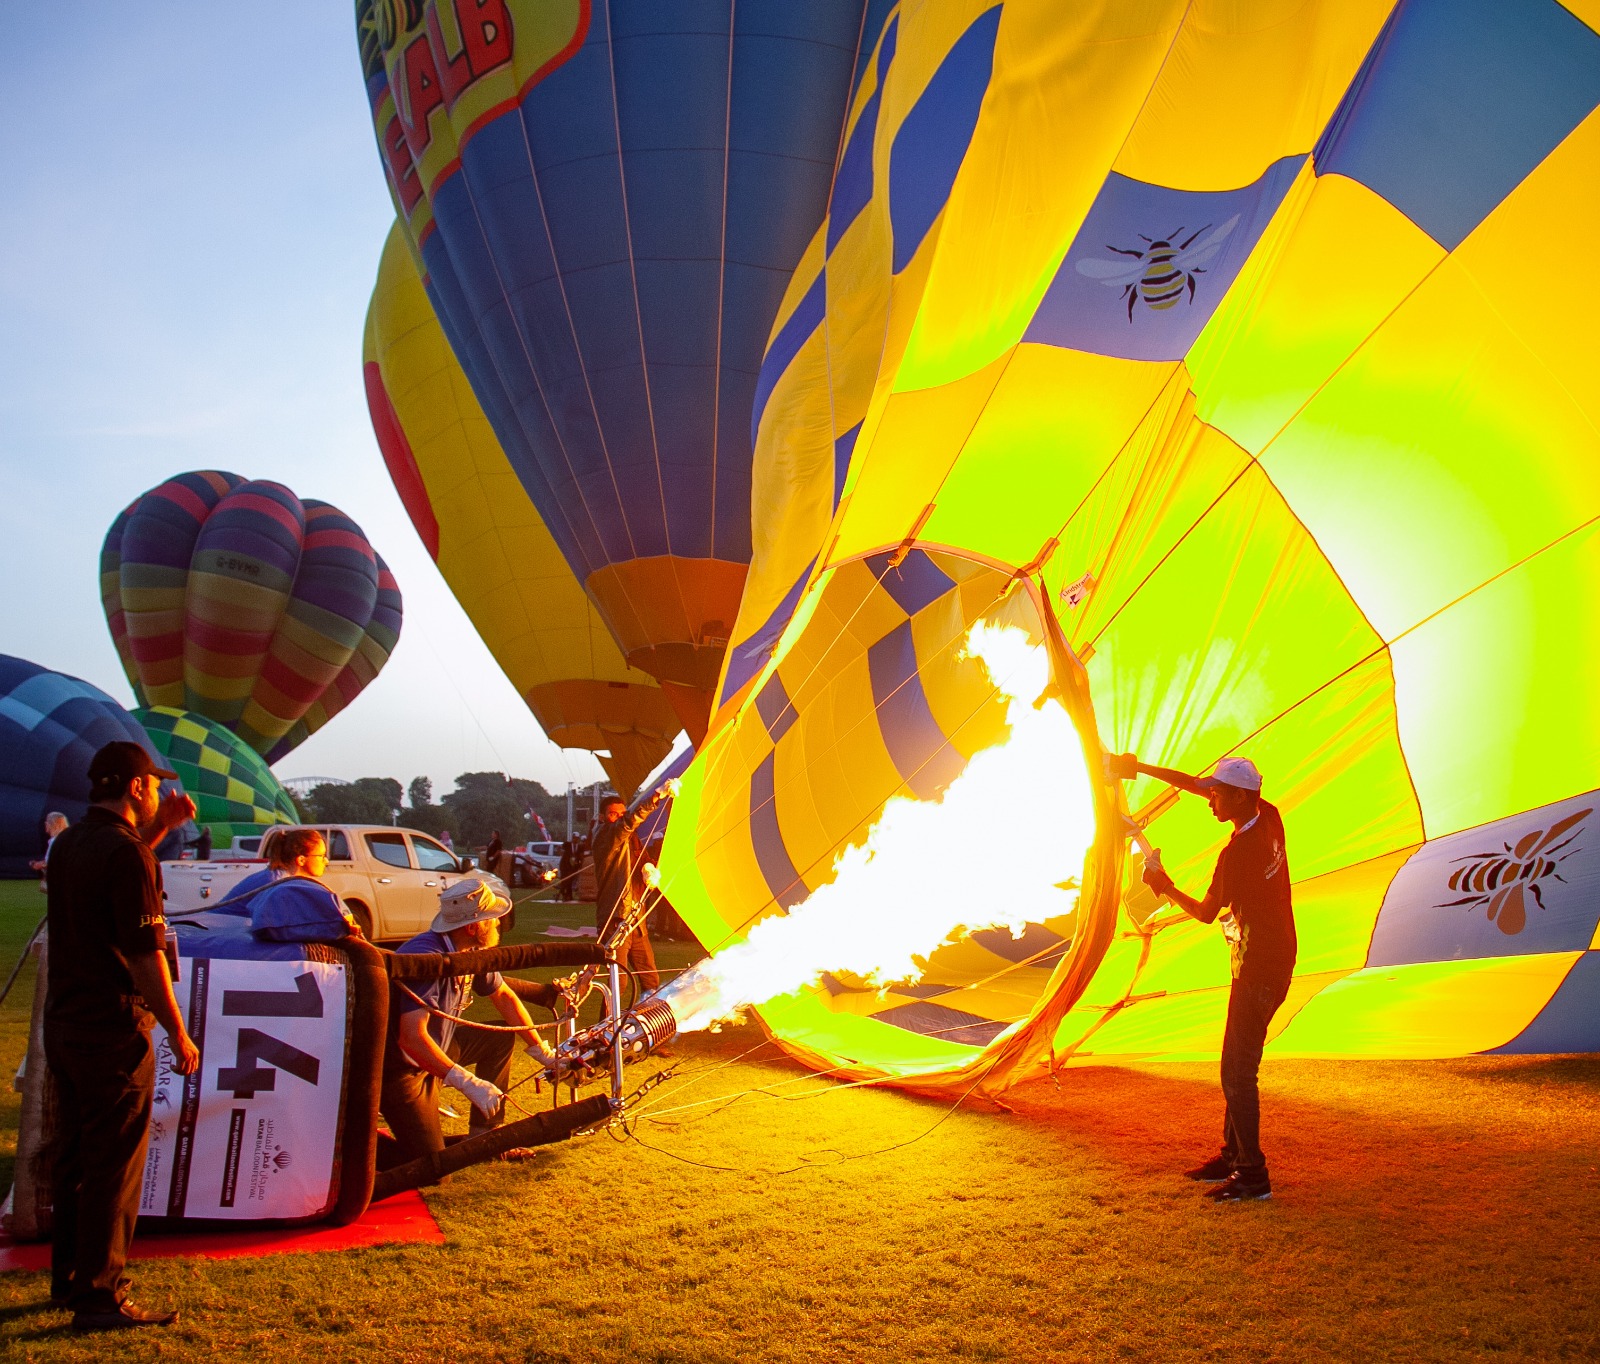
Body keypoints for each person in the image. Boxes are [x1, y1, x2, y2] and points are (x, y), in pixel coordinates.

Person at [43, 742, 201, 1330]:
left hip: (64, 1023)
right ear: (136, 787)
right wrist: (177, 1031)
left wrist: (161, 828)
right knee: (114, 1165)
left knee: (77, 1158)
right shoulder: (126, 853)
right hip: (111, 1028)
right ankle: (101, 1297)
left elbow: (119, 874)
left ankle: (70, 1280)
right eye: (153, 787)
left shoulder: (68, 845)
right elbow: (143, 954)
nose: (159, 793)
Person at [1114, 752, 1296, 1202]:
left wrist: (1163, 884)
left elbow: (1203, 913)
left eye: (1218, 793)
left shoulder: (1238, 855)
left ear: (1238, 795)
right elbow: (1194, 785)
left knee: (1237, 1072)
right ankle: (1233, 1158)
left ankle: (1253, 1176)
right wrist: (1138, 770)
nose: (1208, 798)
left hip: (1261, 967)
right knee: (1235, 1065)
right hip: (1264, 959)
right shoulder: (1267, 815)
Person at [377, 874, 553, 1166]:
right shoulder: (428, 959)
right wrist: (467, 1082)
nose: (497, 923)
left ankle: (486, 1135)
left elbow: (505, 997)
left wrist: (541, 1051)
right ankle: (356, 1144)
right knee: (431, 1167)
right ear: (473, 927)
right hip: (403, 1068)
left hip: (439, 1047)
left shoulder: (471, 951)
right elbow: (410, 1037)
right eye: (492, 918)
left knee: (499, 1036)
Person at [591, 783, 678, 998]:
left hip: (636, 920)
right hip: (615, 919)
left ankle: (648, 1026)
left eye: (622, 813)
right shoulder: (604, 836)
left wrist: (648, 867)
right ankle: (608, 1030)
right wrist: (656, 796)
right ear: (602, 817)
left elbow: (641, 858)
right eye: (613, 814)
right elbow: (627, 823)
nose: (619, 818)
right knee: (618, 984)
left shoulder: (632, 838)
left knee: (650, 979)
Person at [30, 811, 69, 890]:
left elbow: (52, 862)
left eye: (47, 822)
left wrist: (38, 865)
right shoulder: (68, 839)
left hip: (59, 881)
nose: (45, 824)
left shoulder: (55, 841)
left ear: (51, 824)